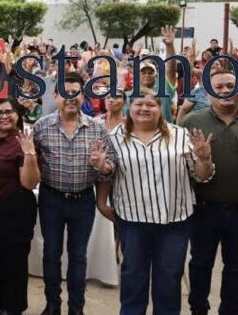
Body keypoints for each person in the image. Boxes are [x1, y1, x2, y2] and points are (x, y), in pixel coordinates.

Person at [98, 88, 214, 315]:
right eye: (138, 104)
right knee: (133, 280)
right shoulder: (114, 138)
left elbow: (201, 175)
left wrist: (204, 159)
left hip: (175, 222)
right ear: (128, 107)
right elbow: (107, 172)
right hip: (132, 222)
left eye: (151, 104)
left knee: (169, 281)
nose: (144, 108)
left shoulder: (181, 136)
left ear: (161, 108)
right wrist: (101, 176)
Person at [33, 72, 116, 315]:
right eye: (65, 93)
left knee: (78, 256)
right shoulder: (42, 127)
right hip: (51, 199)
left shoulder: (97, 128)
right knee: (51, 253)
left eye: (76, 93)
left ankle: (76, 307)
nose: (71, 98)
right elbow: (32, 162)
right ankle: (52, 304)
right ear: (56, 96)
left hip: (83, 199)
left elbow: (109, 169)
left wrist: (102, 165)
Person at [180, 68, 238, 315]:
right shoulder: (193, 121)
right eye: (219, 87)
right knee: (200, 264)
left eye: (230, 86)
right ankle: (198, 309)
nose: (225, 91)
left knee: (235, 267)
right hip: (204, 208)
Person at [0, 98, 40, 315]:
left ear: (18, 115)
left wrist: (30, 153)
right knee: (0, 258)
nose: (4, 116)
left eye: (9, 112)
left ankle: (13, 306)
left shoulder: (21, 141)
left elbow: (29, 183)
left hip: (16, 208)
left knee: (15, 260)